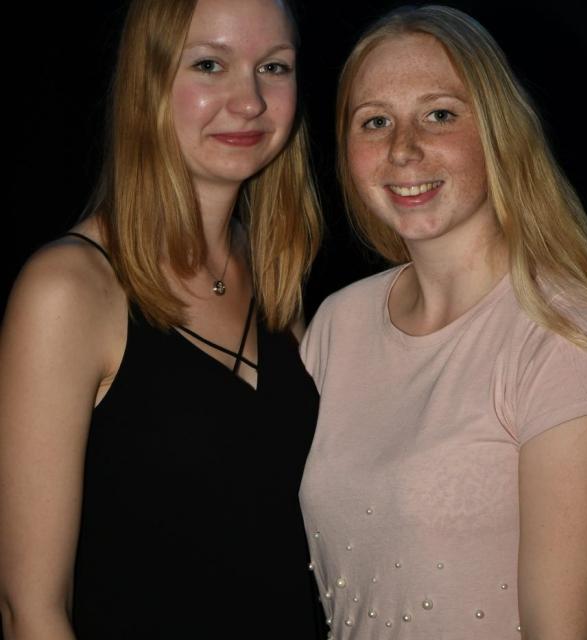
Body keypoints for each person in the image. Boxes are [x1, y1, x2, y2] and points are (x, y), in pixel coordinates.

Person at [299, 5, 587, 639]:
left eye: (439, 114)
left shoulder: (568, 338)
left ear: (499, 132)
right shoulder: (337, 325)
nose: (403, 148)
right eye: (375, 121)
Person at [0, 0, 324, 638]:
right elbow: (30, 612)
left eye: (274, 67)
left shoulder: (276, 273)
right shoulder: (69, 290)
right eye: (209, 64)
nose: (250, 101)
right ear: (146, 81)